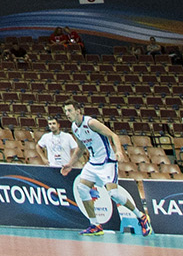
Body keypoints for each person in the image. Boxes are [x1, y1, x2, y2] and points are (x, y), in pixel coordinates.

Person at [62, 101, 152, 237]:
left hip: (107, 162)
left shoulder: (91, 123)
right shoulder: (74, 127)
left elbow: (113, 136)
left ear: (78, 110)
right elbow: (80, 149)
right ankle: (95, 225)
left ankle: (141, 217)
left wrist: (119, 151)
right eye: (66, 111)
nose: (67, 114)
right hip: (93, 163)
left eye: (69, 110)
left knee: (114, 194)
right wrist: (70, 164)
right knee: (82, 188)